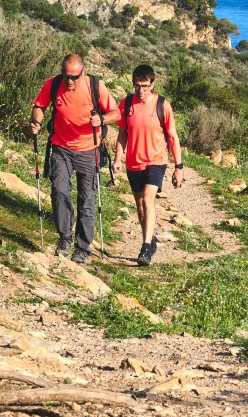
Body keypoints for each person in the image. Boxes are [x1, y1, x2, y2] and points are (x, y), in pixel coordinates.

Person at [29, 54, 119, 262]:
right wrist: (36, 121)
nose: (69, 81)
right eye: (66, 76)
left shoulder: (95, 87)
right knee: (59, 190)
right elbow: (39, 106)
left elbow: (116, 114)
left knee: (86, 200)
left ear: (83, 72)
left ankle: (83, 247)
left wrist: (102, 119)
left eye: (74, 77)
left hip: (89, 149)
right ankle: (65, 238)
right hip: (61, 147)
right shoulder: (53, 84)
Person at [109, 63, 183, 266]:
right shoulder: (126, 104)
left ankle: (144, 249)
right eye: (137, 86)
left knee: (149, 200)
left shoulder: (162, 105)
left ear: (153, 84)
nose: (141, 91)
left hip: (156, 161)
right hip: (134, 162)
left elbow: (173, 137)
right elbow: (122, 134)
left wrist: (179, 167)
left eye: (145, 86)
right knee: (140, 207)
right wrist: (117, 159)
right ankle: (151, 241)